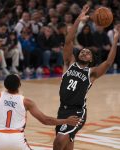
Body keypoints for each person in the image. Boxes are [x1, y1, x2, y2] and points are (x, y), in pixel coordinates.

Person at [53, 4, 120, 150]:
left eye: (87, 52)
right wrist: (79, 19)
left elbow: (108, 62)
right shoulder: (69, 63)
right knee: (66, 145)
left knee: (59, 142)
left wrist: (115, 39)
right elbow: (69, 40)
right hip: (62, 110)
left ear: (91, 59)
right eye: (82, 51)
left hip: (77, 112)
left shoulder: (92, 73)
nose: (84, 52)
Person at [0, 74, 82, 150]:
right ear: (19, 85)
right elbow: (46, 120)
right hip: (17, 140)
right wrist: (66, 120)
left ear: (5, 85)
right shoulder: (27, 102)